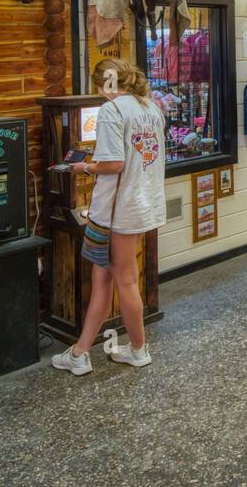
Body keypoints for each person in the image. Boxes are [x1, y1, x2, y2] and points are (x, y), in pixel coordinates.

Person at [53, 57, 167, 375]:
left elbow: (113, 164)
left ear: (105, 84)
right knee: (102, 276)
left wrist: (84, 166)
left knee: (125, 280)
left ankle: (139, 349)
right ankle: (79, 353)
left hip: (118, 208)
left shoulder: (111, 111)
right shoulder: (150, 107)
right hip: (143, 202)